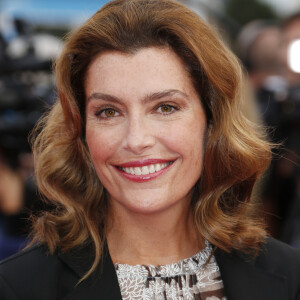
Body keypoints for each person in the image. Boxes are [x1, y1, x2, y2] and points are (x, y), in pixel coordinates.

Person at [0, 0, 300, 299]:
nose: (136, 139)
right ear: (80, 131)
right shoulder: (19, 287)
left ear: (212, 120)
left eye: (165, 107)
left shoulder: (289, 277)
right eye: (108, 112)